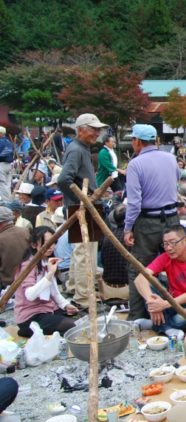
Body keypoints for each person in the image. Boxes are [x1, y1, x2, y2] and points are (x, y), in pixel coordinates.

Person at [124, 124, 180, 320]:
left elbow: (134, 202)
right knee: (176, 263)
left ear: (137, 141)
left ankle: (137, 316)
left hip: (148, 221)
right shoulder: (171, 158)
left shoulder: (136, 164)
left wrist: (128, 228)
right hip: (172, 218)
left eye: (133, 140)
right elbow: (177, 181)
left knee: (139, 268)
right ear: (155, 140)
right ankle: (180, 308)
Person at [58, 113, 108, 309]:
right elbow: (64, 180)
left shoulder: (81, 148)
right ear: (80, 129)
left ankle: (74, 287)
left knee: (81, 250)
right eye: (93, 129)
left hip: (82, 205)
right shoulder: (77, 150)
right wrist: (82, 199)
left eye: (98, 129)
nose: (97, 133)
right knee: (84, 252)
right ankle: (83, 296)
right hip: (81, 207)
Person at [133, 225, 186, 338]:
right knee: (149, 281)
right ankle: (168, 328)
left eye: (173, 243)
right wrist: (152, 303)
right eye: (165, 244)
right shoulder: (166, 257)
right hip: (172, 303)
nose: (168, 248)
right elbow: (139, 278)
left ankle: (155, 325)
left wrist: (163, 305)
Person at [14, 226, 79, 337]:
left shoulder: (45, 260)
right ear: (34, 245)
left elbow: (54, 291)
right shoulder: (28, 265)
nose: (51, 247)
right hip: (30, 316)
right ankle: (30, 334)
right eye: (45, 243)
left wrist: (65, 305)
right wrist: (49, 274)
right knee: (71, 326)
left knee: (79, 319)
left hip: (47, 309)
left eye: (53, 243)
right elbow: (30, 295)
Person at [0, 127, 14, 202]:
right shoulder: (8, 142)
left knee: (2, 184)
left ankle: (6, 203)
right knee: (7, 185)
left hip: (1, 165)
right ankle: (9, 201)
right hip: (9, 165)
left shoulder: (1, 141)